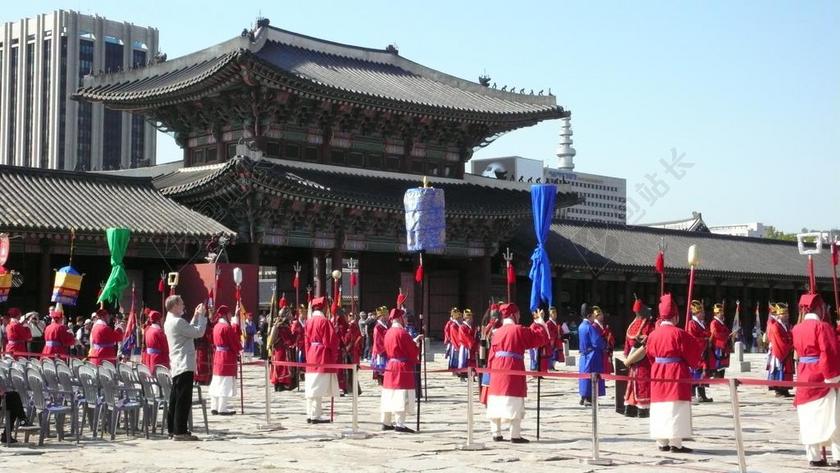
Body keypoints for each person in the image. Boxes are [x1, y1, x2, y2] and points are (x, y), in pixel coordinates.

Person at [646, 294, 704, 453]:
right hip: (676, 371)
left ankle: (661, 441)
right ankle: (676, 443)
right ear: (676, 316)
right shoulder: (679, 333)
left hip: (658, 371)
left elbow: (650, 355)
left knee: (660, 406)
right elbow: (693, 353)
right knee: (675, 406)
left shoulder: (653, 334)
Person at [485, 303, 548, 443]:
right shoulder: (518, 330)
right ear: (514, 314)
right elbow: (539, 337)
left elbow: (491, 354)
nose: (519, 316)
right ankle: (515, 434)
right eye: (518, 314)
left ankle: (496, 432)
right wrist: (539, 322)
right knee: (514, 401)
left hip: (496, 369)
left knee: (496, 400)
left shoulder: (497, 332)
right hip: (512, 368)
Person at [791, 293, 840, 468]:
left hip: (804, 373)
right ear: (819, 308)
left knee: (808, 418)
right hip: (820, 374)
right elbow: (828, 352)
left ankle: (814, 456)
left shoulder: (796, 328)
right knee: (833, 417)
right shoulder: (822, 327)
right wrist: (833, 377)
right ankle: (838, 454)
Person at [163, 295, 207, 441]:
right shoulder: (178, 322)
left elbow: (188, 330)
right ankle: (180, 431)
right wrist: (202, 316)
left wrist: (194, 316)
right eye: (181, 304)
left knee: (175, 398)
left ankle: (173, 429)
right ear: (175, 305)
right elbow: (198, 332)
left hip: (177, 363)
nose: (183, 306)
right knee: (183, 399)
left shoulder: (170, 321)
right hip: (184, 363)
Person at [380, 307, 423, 433]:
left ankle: (386, 421)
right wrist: (416, 346)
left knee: (389, 394)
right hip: (402, 367)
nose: (405, 319)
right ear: (399, 318)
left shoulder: (388, 332)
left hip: (390, 365)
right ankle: (400, 423)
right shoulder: (402, 333)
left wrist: (413, 341)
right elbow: (410, 350)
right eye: (403, 317)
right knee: (400, 395)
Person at [304, 297, 340, 424]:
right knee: (317, 387)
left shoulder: (309, 321)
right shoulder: (324, 321)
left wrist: (308, 356)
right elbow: (331, 341)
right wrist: (334, 354)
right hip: (322, 354)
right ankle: (315, 415)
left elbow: (306, 341)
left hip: (312, 353)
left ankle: (310, 413)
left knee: (311, 386)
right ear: (324, 307)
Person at [624, 298, 654, 418]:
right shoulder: (648, 326)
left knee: (633, 382)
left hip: (632, 359)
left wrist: (628, 356)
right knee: (643, 383)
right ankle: (642, 409)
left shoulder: (632, 326)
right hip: (644, 360)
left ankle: (630, 408)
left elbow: (627, 345)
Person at [209, 304, 241, 416]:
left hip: (218, 356)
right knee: (225, 383)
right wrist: (239, 349)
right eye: (230, 314)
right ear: (226, 314)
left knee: (216, 381)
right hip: (226, 357)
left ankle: (214, 406)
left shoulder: (217, 326)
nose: (231, 315)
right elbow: (234, 342)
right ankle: (222, 408)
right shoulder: (226, 327)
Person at [578, 306, 607, 406]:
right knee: (592, 376)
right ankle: (589, 398)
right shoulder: (590, 327)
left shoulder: (581, 326)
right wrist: (604, 345)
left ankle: (583, 396)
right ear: (589, 315)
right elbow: (596, 342)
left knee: (583, 376)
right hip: (592, 355)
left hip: (583, 355)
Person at [686, 300, 713, 402]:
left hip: (704, 351)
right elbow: (692, 338)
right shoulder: (691, 324)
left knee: (703, 372)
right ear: (696, 313)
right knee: (695, 372)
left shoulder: (702, 323)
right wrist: (705, 339)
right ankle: (692, 395)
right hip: (697, 351)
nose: (703, 314)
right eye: (701, 312)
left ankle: (702, 395)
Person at [765, 302, 794, 397]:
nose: (786, 316)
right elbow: (779, 340)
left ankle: (785, 390)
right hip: (780, 351)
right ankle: (778, 390)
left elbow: (789, 335)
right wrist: (789, 345)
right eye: (783, 314)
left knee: (786, 370)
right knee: (779, 369)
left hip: (787, 349)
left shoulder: (785, 325)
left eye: (787, 314)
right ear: (778, 315)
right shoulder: (775, 326)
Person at [269, 307, 295, 391]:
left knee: (278, 366)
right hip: (282, 349)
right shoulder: (283, 327)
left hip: (276, 349)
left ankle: (278, 384)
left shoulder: (277, 324)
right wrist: (296, 335)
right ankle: (281, 384)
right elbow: (288, 340)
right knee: (282, 367)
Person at [709, 303, 733, 379]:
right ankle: (717, 377)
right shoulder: (714, 322)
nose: (722, 314)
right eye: (720, 313)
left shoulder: (722, 323)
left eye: (722, 312)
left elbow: (727, 332)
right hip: (718, 346)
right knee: (718, 365)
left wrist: (730, 334)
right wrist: (726, 335)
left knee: (723, 366)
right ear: (716, 313)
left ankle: (721, 378)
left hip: (724, 346)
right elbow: (715, 333)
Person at [457, 308, 478, 379]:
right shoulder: (462, 327)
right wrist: (471, 343)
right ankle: (463, 374)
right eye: (470, 318)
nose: (471, 319)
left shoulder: (471, 327)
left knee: (471, 360)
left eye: (471, 318)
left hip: (471, 345)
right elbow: (465, 337)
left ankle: (471, 373)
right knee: (464, 360)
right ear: (466, 318)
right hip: (465, 346)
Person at [371, 306, 389, 385]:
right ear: (382, 316)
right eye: (386, 315)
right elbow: (378, 341)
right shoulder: (378, 327)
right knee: (381, 368)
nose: (387, 316)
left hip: (386, 349)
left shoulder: (385, 325)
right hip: (381, 350)